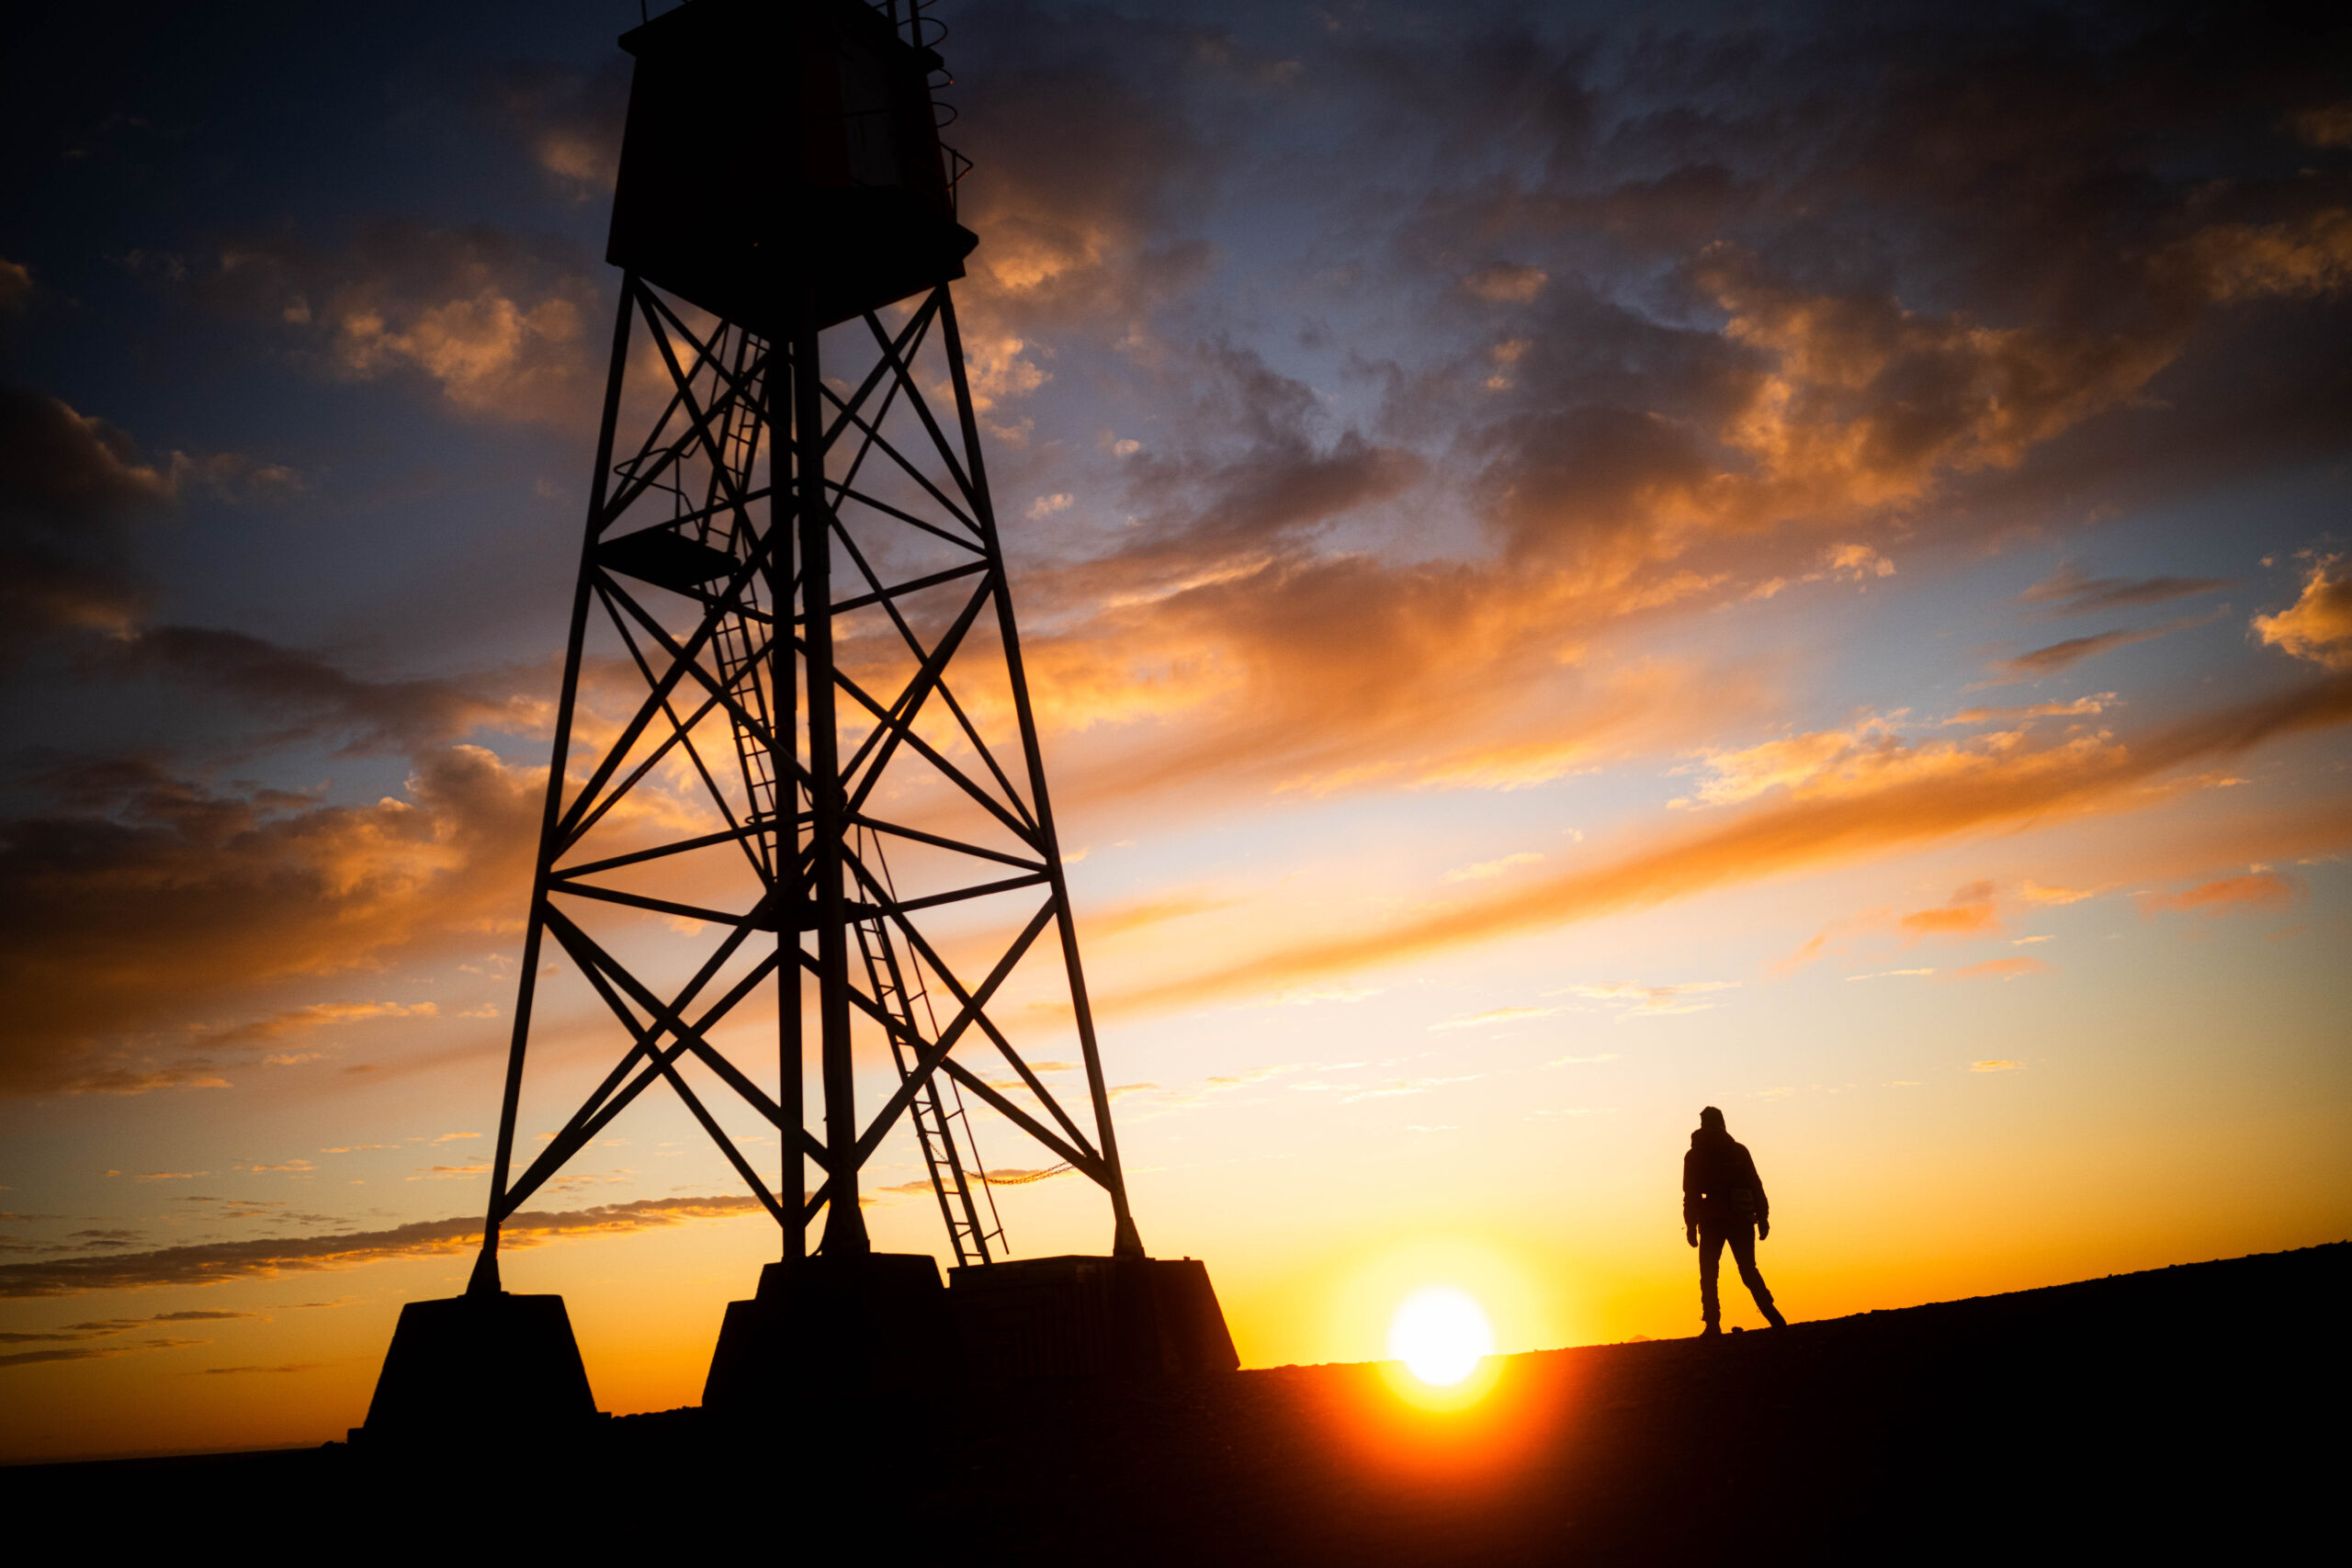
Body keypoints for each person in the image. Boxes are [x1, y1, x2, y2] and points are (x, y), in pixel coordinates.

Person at [1683, 1105, 1786, 1335]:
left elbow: (1690, 1194)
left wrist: (1690, 1225)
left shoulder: (1694, 1155)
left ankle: (1712, 1324)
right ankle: (1773, 1315)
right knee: (1748, 1270)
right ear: (1722, 1123)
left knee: (1708, 1273)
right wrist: (1763, 1217)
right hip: (1740, 1217)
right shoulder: (1738, 1151)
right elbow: (1755, 1184)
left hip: (1711, 1219)